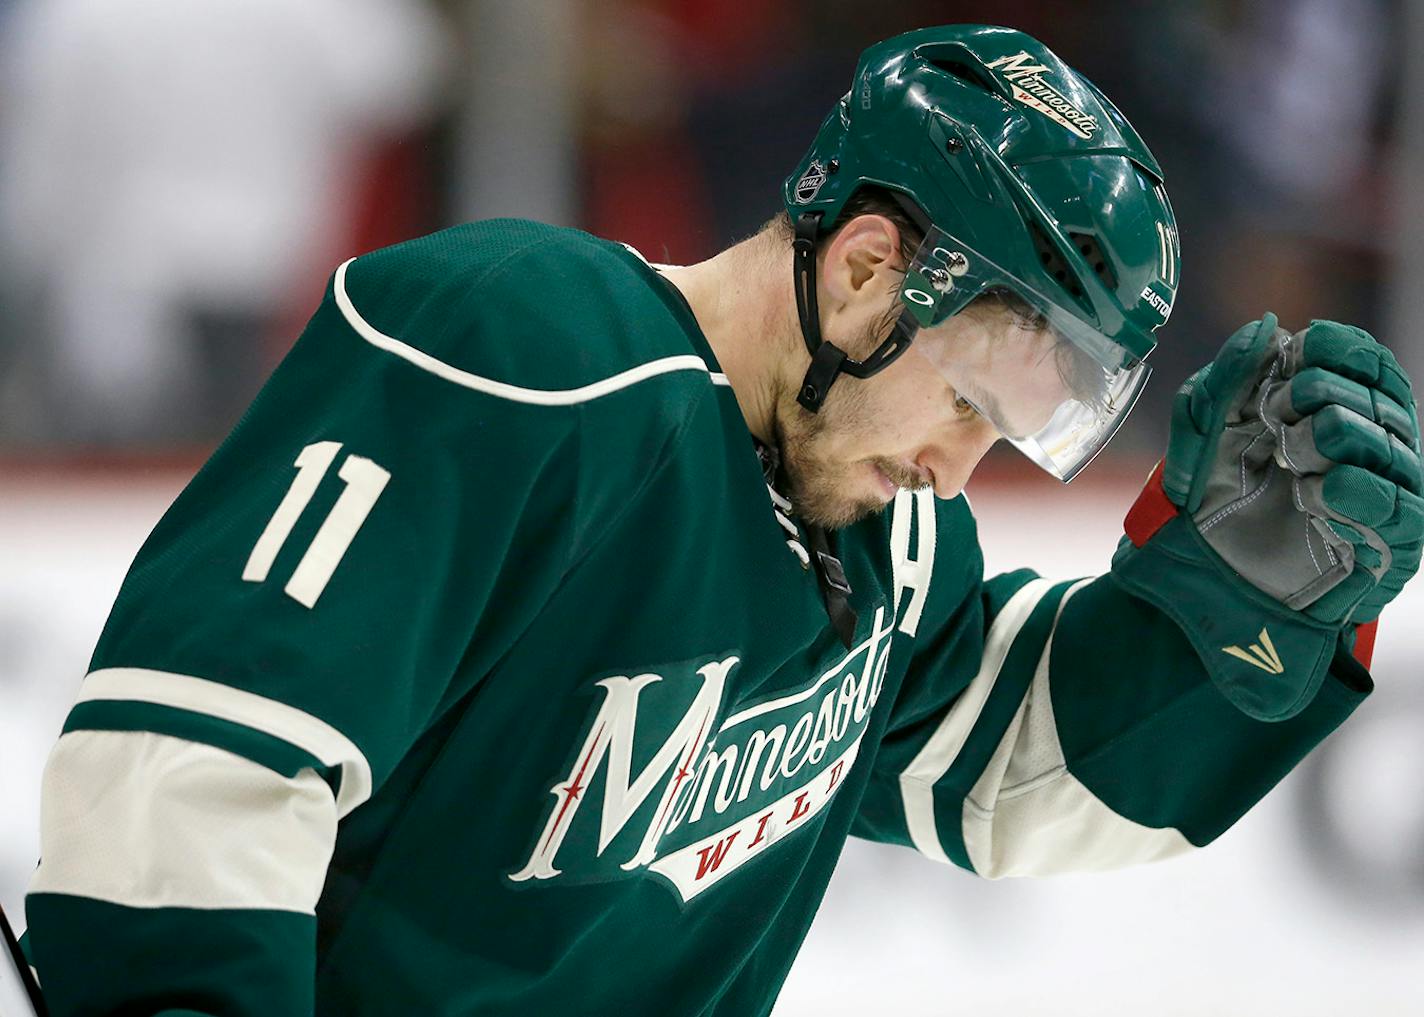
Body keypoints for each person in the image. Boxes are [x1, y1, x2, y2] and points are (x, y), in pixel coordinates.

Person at [22, 24, 1423, 1017]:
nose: (959, 465)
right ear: (872, 273)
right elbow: (204, 757)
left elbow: (1009, 778)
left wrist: (1244, 615)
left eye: (1011, 435)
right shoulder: (527, 351)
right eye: (969, 402)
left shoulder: (886, 541)